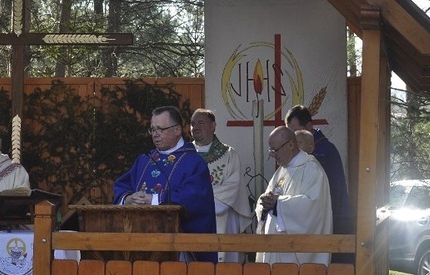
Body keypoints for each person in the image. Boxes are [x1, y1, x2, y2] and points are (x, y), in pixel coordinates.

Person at [113, 105, 217, 262]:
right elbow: (122, 185)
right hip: (137, 242)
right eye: (152, 130)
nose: (155, 135)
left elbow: (194, 198)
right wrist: (127, 199)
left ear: (176, 130)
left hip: (177, 247)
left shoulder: (193, 162)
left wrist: (154, 200)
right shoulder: (145, 160)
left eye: (160, 129)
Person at [254, 126, 333, 266]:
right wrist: (264, 204)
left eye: (275, 150)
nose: (273, 155)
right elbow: (268, 199)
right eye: (271, 151)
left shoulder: (311, 169)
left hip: (293, 254)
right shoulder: (281, 171)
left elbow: (313, 207)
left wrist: (279, 204)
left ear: (290, 145)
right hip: (274, 247)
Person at [190, 108, 252, 262]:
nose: (195, 127)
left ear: (213, 126)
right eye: (192, 124)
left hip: (222, 219)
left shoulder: (229, 155)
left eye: (200, 123)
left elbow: (233, 186)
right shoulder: (185, 155)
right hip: (190, 219)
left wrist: (199, 201)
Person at [285, 105, 353, 235]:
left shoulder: (324, 152)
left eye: (297, 131)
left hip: (333, 216)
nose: (293, 138)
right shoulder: (299, 152)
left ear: (309, 126)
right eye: (291, 133)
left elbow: (323, 189)